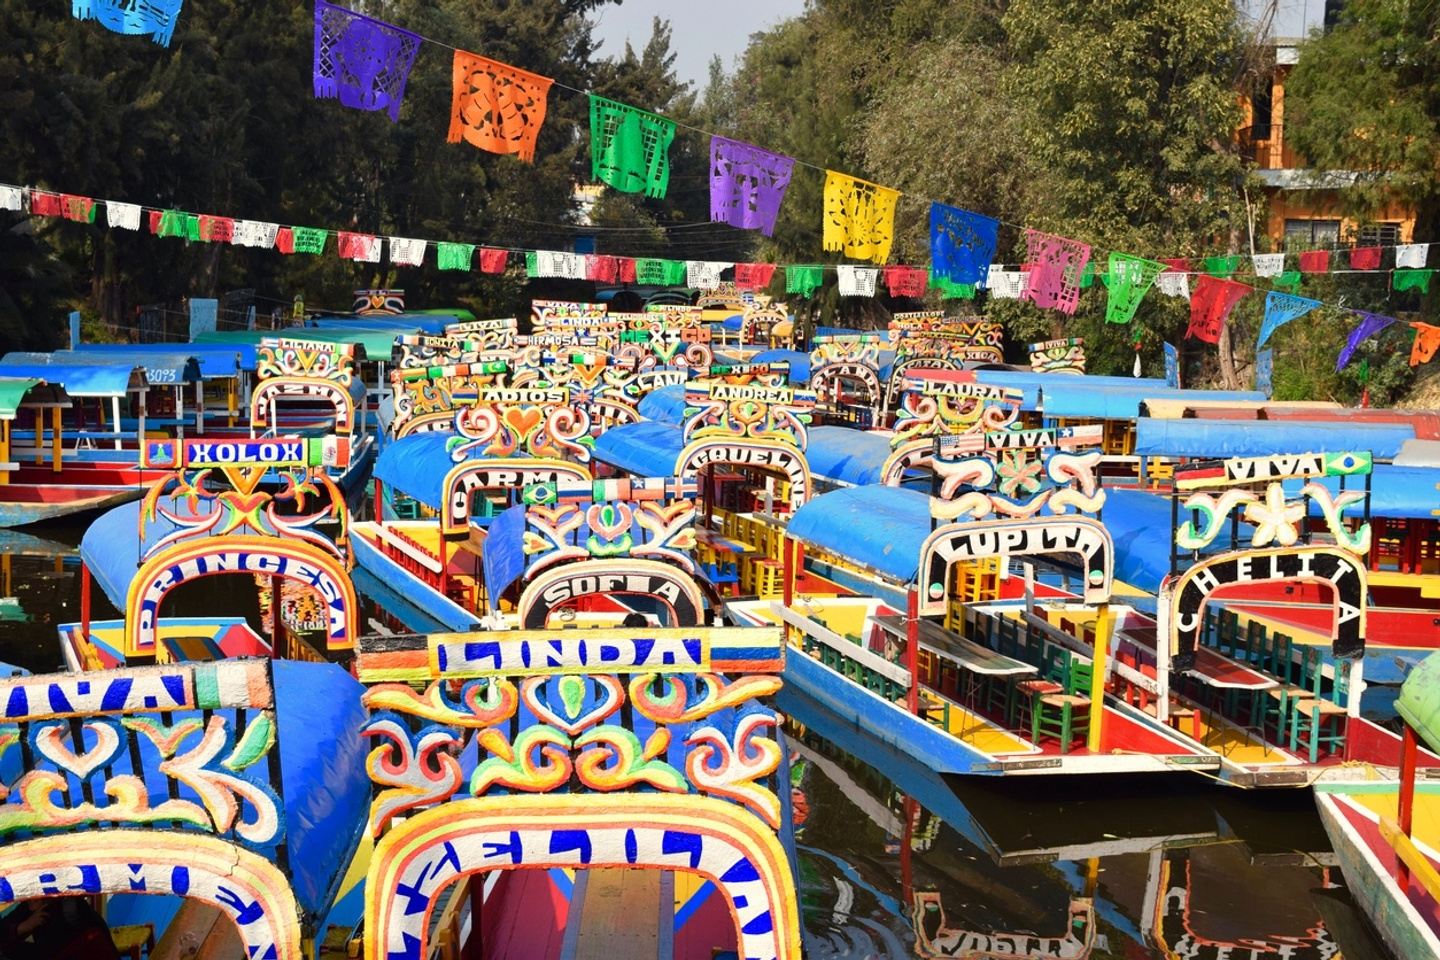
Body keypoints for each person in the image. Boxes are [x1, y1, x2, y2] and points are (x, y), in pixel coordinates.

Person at [0, 897, 122, 960]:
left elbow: (47, 951)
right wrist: (21, 928)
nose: (28, 897)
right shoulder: (33, 905)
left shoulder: (71, 909)